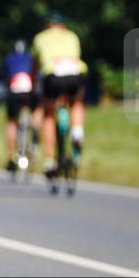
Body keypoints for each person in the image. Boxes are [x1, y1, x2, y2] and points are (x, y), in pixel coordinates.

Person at [32, 12, 87, 179]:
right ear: (63, 25)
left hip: (53, 73)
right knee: (76, 102)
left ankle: (49, 159)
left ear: (46, 26)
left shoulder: (40, 38)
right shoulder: (72, 36)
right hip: (74, 72)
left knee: (49, 115)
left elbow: (36, 65)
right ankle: (77, 130)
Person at [2, 40, 38, 170]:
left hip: (14, 91)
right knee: (37, 112)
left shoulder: (8, 58)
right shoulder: (31, 58)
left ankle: (11, 155)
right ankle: (34, 139)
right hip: (29, 92)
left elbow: (5, 77)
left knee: (11, 121)